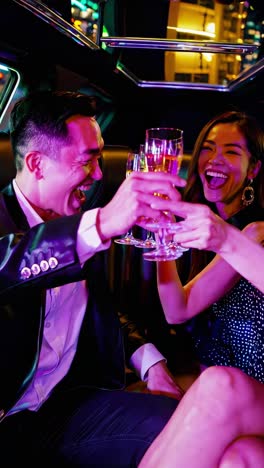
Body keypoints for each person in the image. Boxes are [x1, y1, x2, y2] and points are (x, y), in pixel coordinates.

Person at [0, 91, 263, 468]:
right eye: (88, 161)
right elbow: (10, 264)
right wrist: (105, 225)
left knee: (207, 435)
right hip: (10, 416)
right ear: (38, 164)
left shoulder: (81, 220)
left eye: (100, 159)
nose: (98, 175)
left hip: (70, 405)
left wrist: (150, 363)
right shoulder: (83, 230)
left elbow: (103, 310)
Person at [139, 205, 264, 468]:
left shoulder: (242, 241)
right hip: (252, 402)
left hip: (240, 395)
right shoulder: (255, 234)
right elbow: (178, 309)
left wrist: (229, 240)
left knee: (221, 385)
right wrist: (164, 239)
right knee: (238, 459)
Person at [155, 110, 264, 383]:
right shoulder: (202, 228)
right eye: (207, 148)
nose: (215, 160)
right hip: (211, 380)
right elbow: (175, 309)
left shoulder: (255, 231)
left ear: (253, 169)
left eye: (231, 152)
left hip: (245, 389)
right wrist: (161, 228)